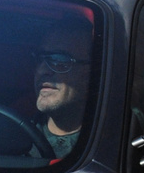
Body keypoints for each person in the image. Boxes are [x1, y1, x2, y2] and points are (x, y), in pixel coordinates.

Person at [30, 18, 95, 158]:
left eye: (59, 60)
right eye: (40, 59)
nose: (41, 71)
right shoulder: (18, 138)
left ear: (92, 73)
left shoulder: (115, 137)